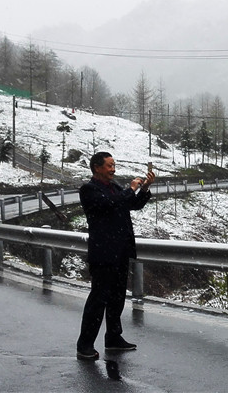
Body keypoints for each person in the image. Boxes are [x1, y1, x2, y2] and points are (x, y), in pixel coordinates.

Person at [76, 152, 155, 361]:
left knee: (117, 298)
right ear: (96, 167)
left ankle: (113, 337)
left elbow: (133, 204)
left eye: (114, 165)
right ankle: (84, 344)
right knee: (98, 301)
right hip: (103, 253)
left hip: (120, 251)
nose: (113, 169)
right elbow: (111, 203)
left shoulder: (115, 187)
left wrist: (144, 188)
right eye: (110, 166)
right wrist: (131, 188)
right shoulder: (89, 190)